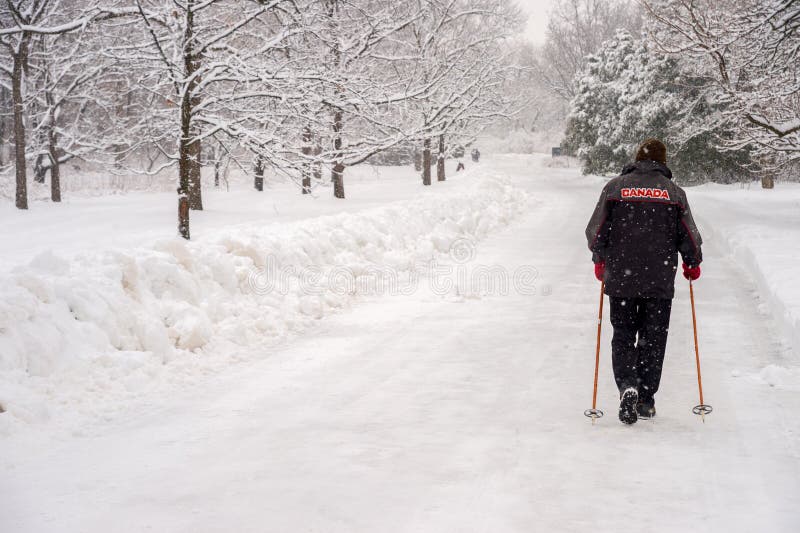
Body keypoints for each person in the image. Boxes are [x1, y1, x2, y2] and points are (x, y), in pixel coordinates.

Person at [585, 138, 703, 424]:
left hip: (621, 278)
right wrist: (692, 261)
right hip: (659, 281)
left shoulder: (615, 188)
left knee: (623, 333)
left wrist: (599, 258)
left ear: (636, 158)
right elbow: (687, 233)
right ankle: (646, 399)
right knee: (653, 338)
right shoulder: (674, 193)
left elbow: (596, 229)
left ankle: (628, 385)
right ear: (663, 162)